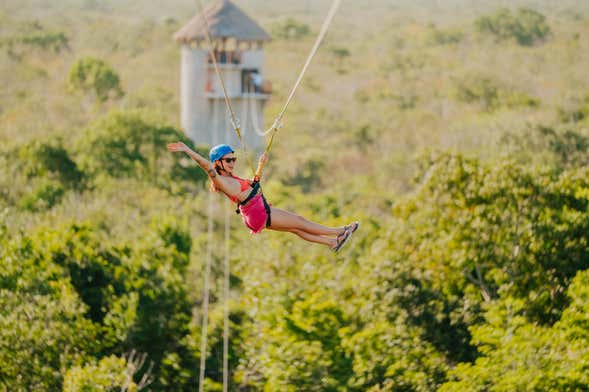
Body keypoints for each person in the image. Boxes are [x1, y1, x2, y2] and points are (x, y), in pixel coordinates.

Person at [167, 142, 359, 252]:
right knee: (299, 222)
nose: (232, 163)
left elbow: (253, 183)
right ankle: (339, 232)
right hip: (257, 213)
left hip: (257, 211)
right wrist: (187, 150)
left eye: (234, 159)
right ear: (218, 163)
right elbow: (205, 165)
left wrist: (261, 165)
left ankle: (332, 242)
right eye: (228, 160)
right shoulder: (219, 180)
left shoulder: (231, 178)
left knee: (294, 227)